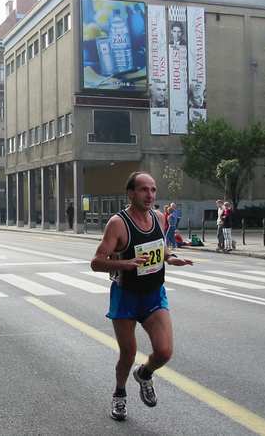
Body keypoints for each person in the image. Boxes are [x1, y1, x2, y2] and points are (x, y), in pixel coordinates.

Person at [90, 172, 193, 422]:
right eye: (144, 189)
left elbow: (160, 247)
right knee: (128, 353)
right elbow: (96, 262)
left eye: (153, 189)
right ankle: (119, 393)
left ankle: (144, 374)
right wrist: (126, 264)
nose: (150, 195)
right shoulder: (118, 223)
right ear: (131, 193)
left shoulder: (159, 217)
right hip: (126, 296)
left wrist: (170, 258)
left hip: (154, 294)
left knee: (164, 352)